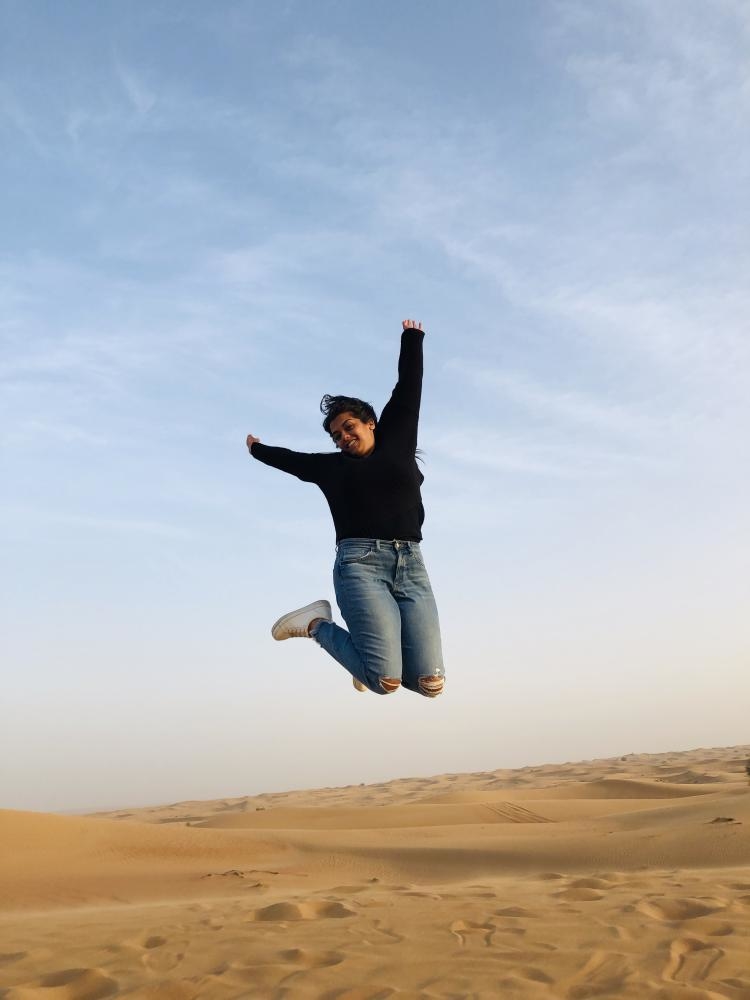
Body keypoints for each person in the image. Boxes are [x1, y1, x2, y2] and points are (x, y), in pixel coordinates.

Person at [245, 319, 445, 698]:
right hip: (360, 565)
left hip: (412, 564)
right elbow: (291, 459)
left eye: (349, 427)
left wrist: (412, 338)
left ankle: (365, 658)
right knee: (384, 682)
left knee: (429, 684)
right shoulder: (331, 468)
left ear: (371, 424)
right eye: (336, 436)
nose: (343, 438)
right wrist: (257, 449)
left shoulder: (398, 440)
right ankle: (315, 624)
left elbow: (408, 386)